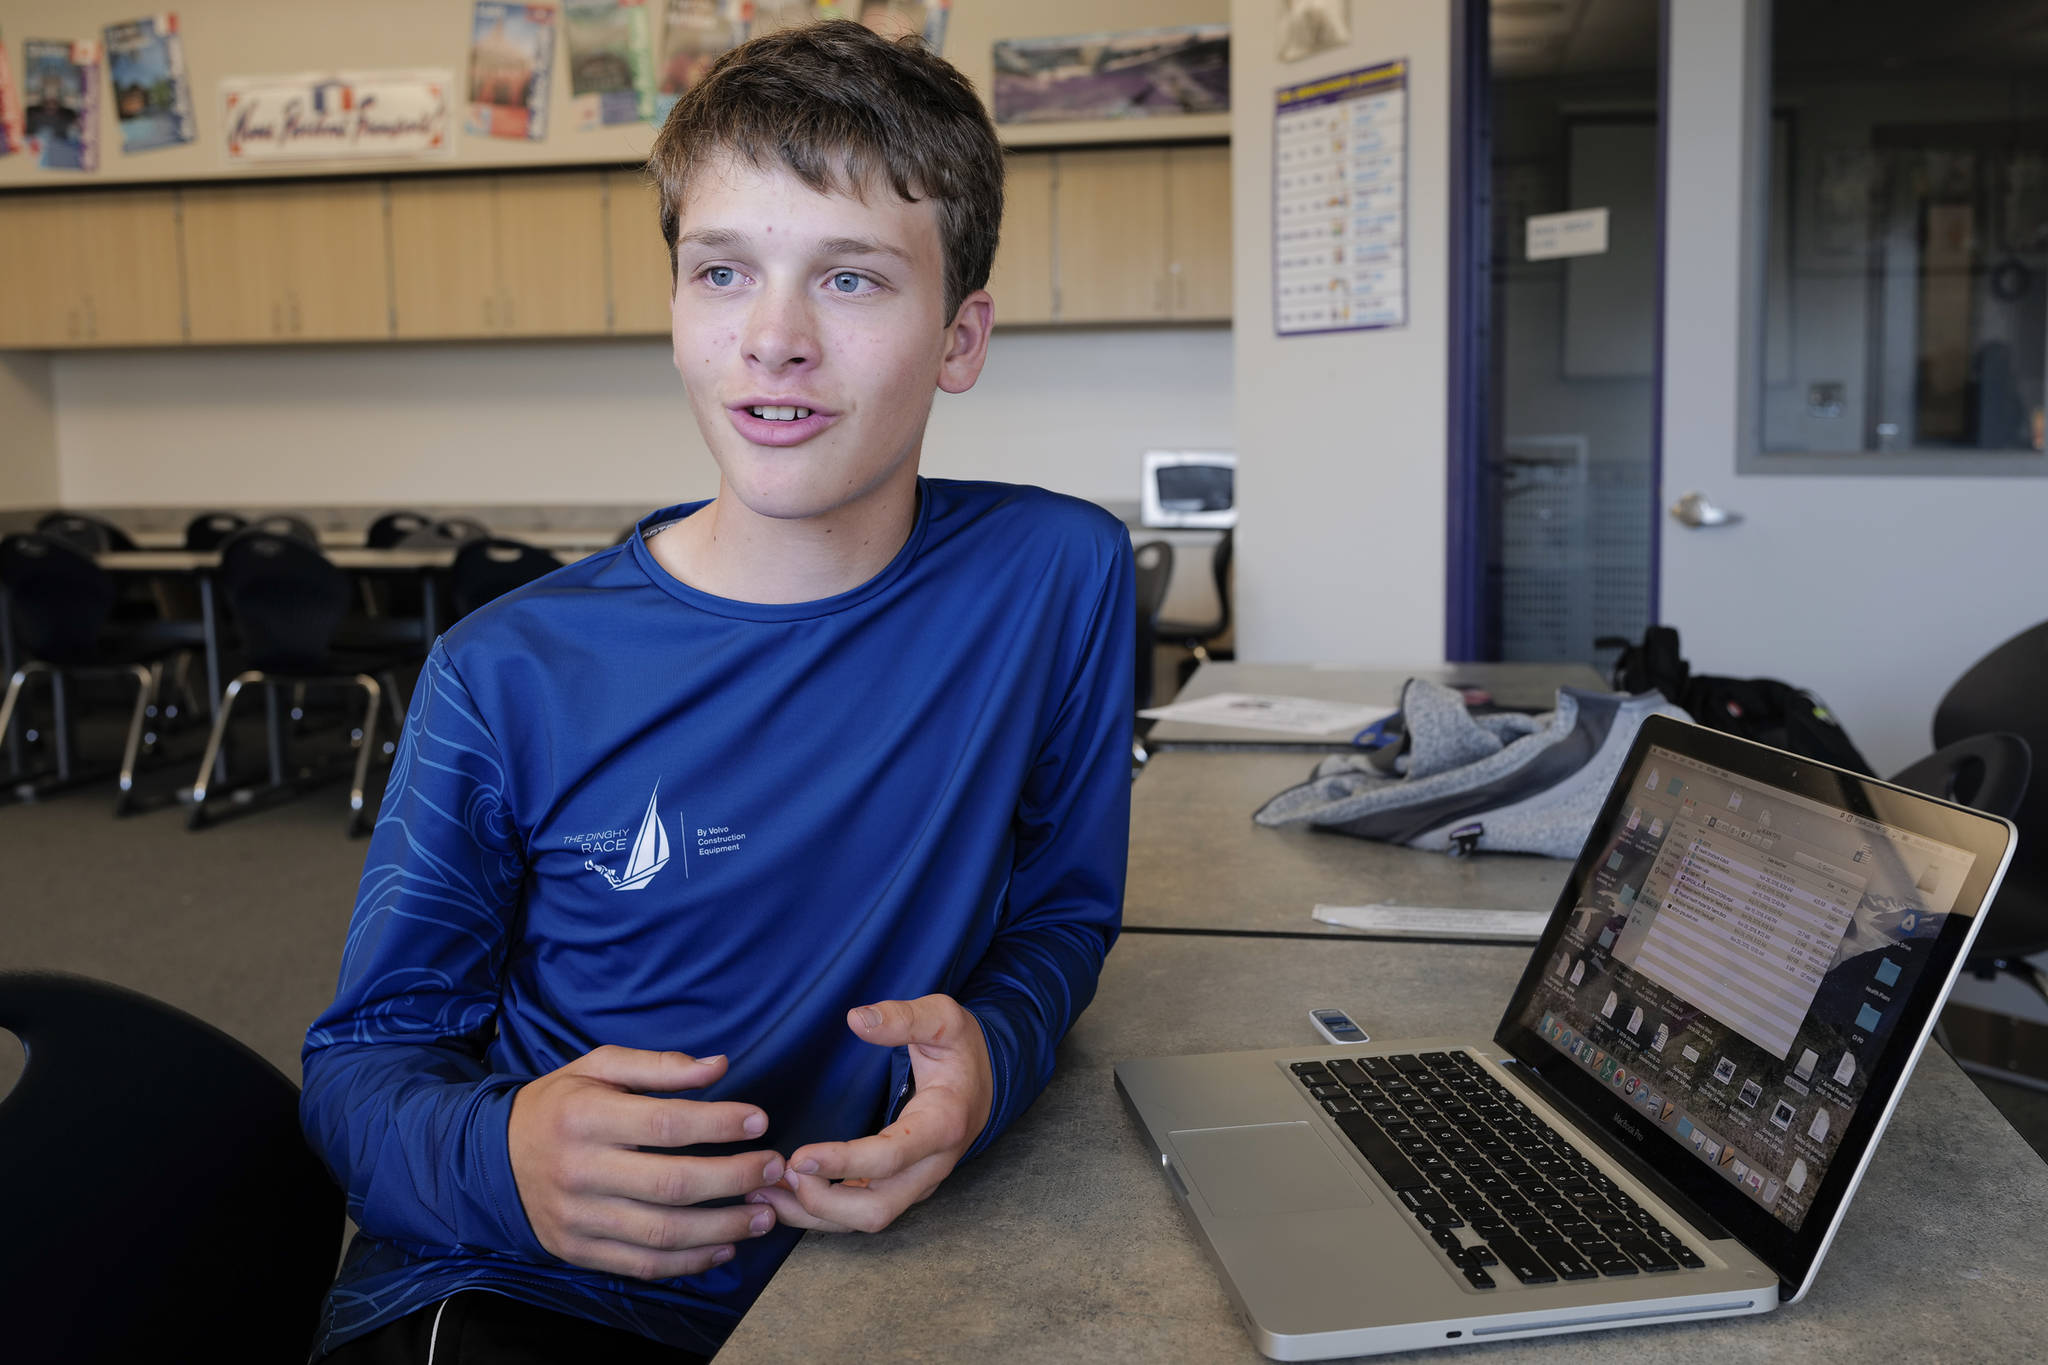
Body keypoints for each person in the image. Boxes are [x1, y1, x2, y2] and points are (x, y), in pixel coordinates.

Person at [301, 20, 1133, 1362]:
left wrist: (992, 1057)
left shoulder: (1055, 576)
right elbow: (359, 1067)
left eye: (851, 279)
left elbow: (1063, 914)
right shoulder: (507, 672)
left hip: (866, 1280)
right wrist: (505, 1155)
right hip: (525, 1286)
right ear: (678, 306)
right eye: (722, 272)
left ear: (960, 336)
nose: (774, 339)